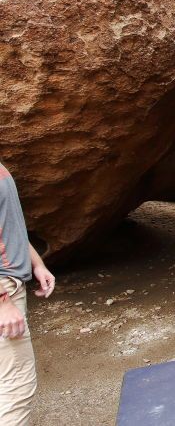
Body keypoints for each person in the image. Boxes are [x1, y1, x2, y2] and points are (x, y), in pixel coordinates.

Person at [0, 162, 56, 425]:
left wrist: (36, 263)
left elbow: (9, 222)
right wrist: (2, 302)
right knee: (17, 388)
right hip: (4, 290)